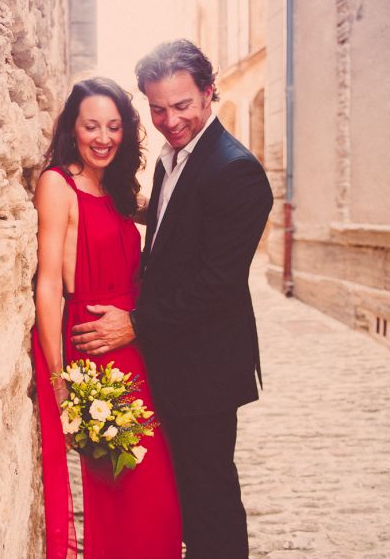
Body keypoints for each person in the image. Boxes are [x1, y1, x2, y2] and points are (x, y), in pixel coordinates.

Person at [71, 40, 273, 558]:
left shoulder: (237, 170)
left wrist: (135, 323)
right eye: (158, 108)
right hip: (169, 358)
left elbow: (216, 282)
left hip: (205, 363)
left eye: (182, 105)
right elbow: (172, 229)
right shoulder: (172, 158)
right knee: (181, 496)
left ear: (210, 93)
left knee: (210, 499)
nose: (170, 119)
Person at [32, 77, 182, 558]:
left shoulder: (117, 188)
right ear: (72, 129)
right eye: (91, 126)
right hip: (97, 355)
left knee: (157, 498)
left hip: (139, 347)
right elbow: (50, 283)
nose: (103, 137)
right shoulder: (59, 185)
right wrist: (58, 379)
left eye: (114, 127)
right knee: (126, 491)